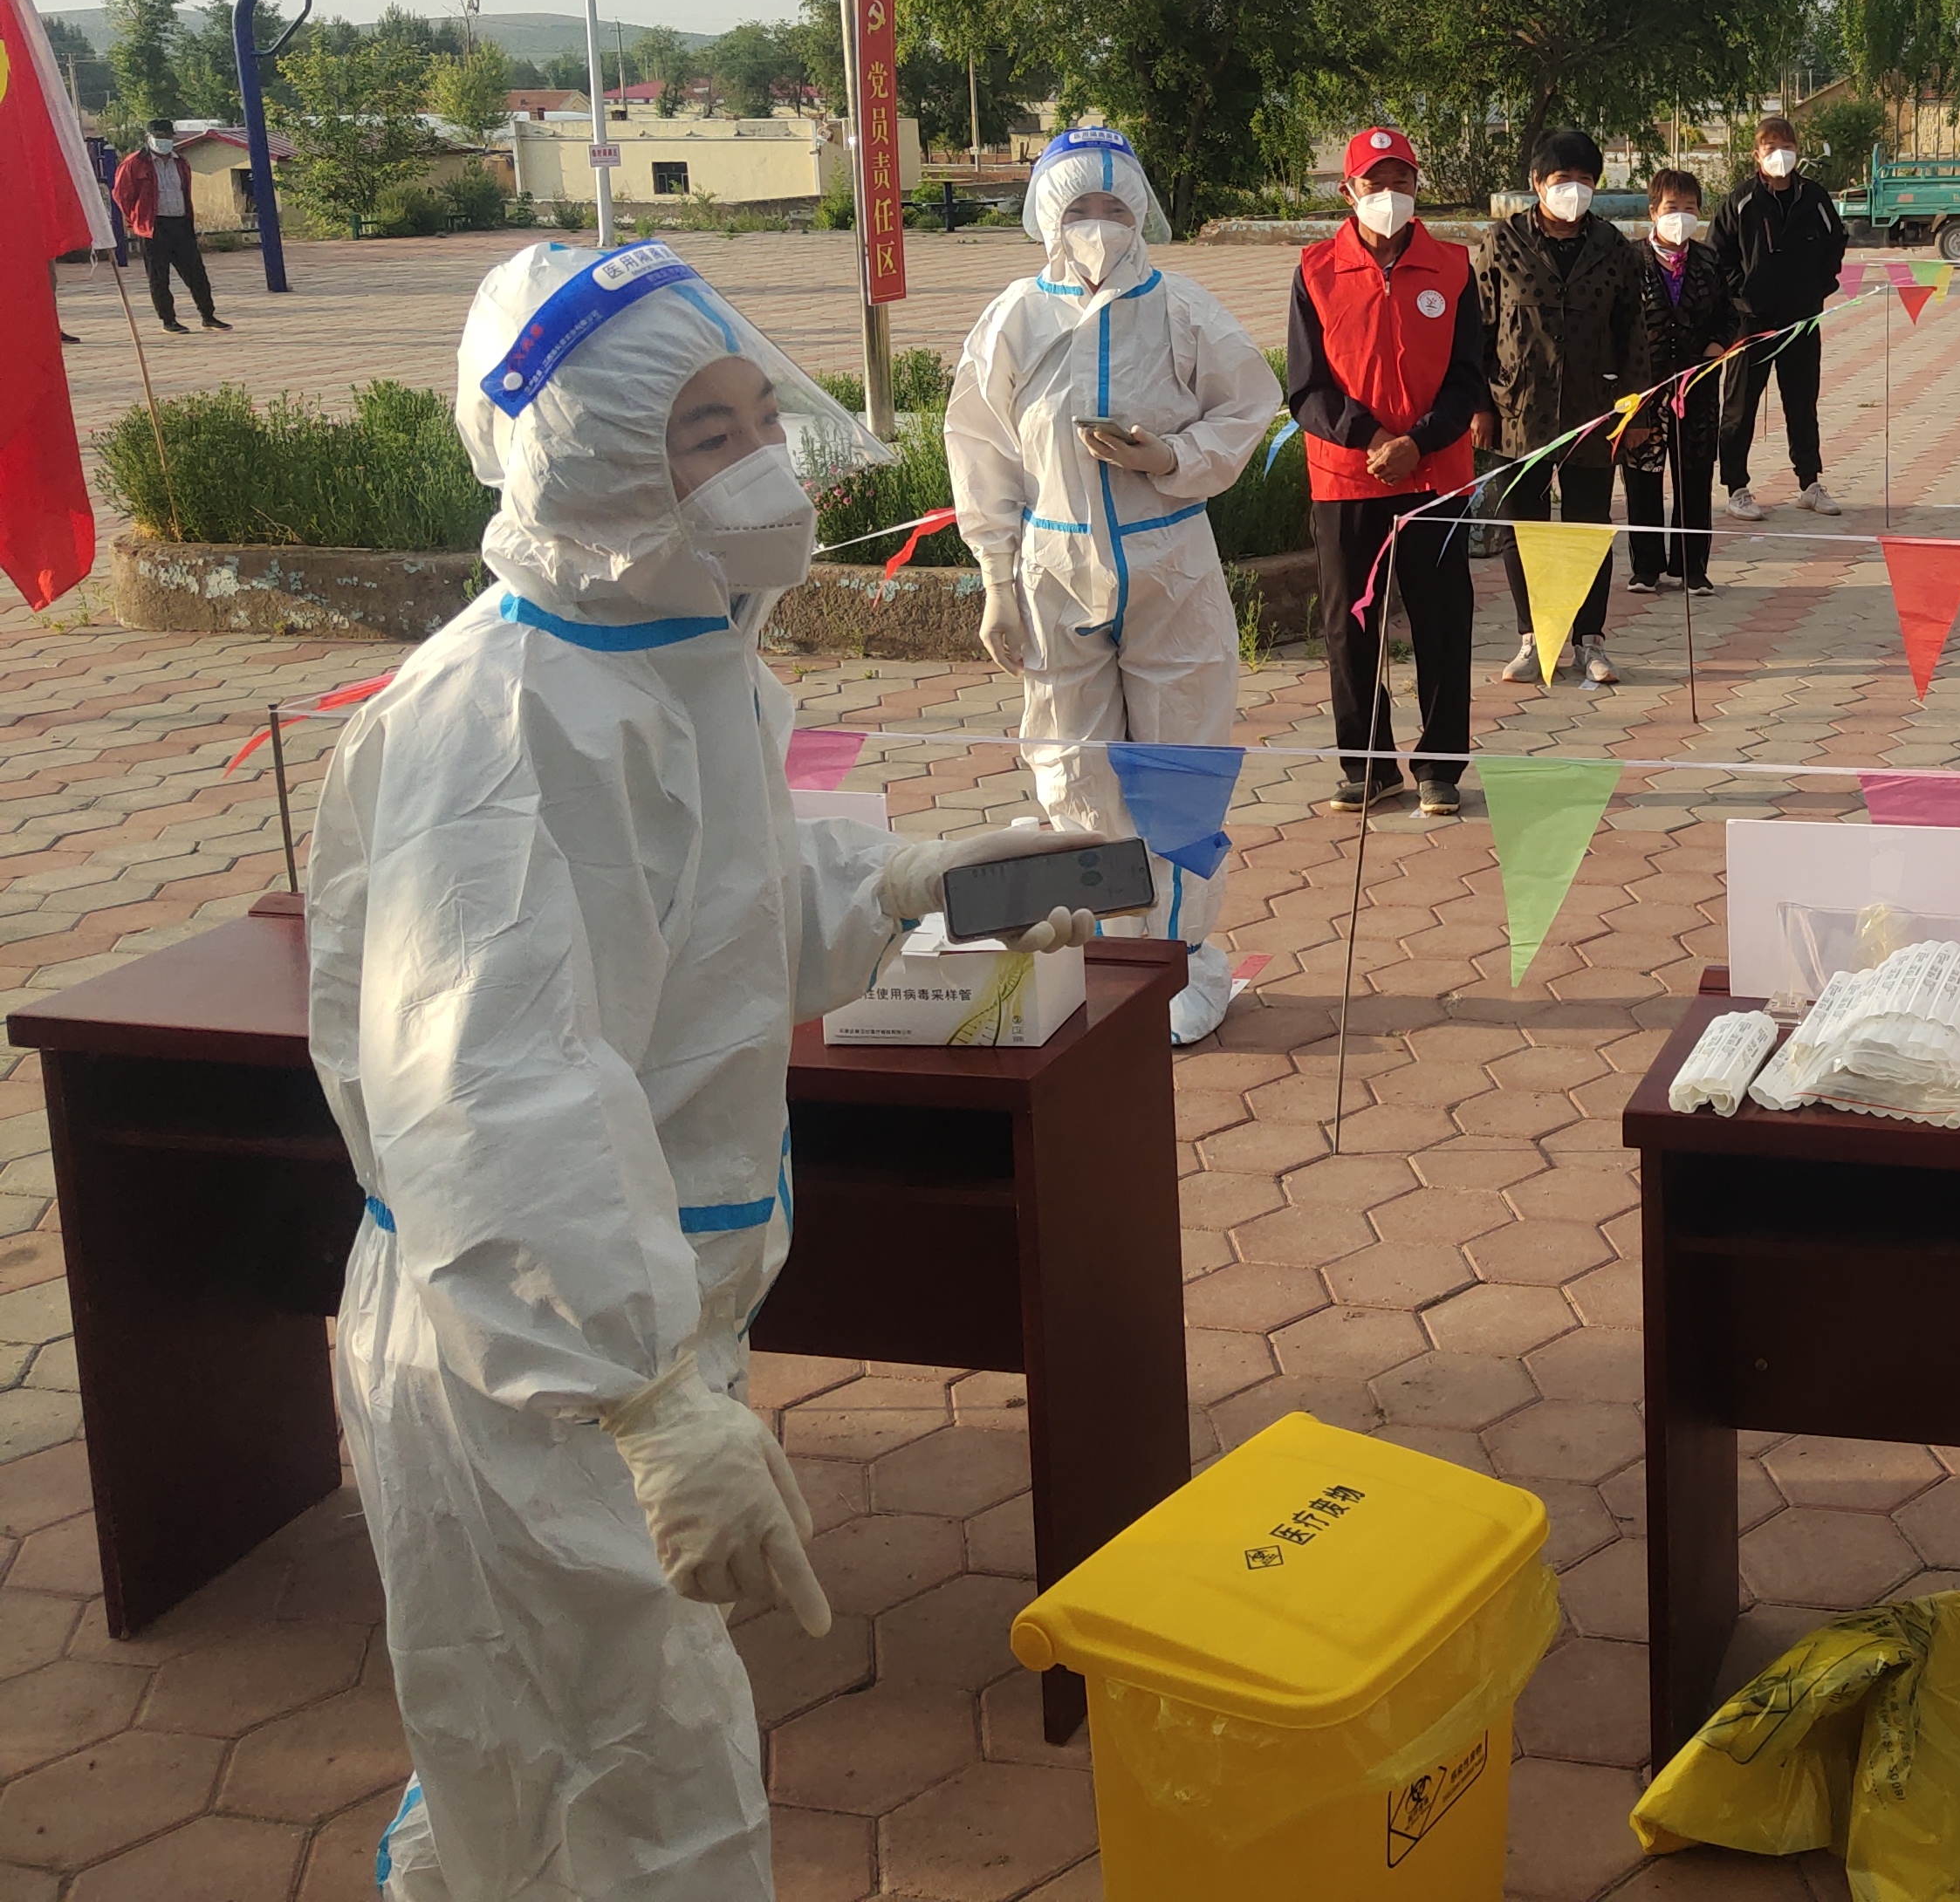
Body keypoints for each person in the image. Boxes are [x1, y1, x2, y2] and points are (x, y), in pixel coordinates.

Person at [309, 241, 1100, 1902]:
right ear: (586, 454)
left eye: (756, 416)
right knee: (641, 1787)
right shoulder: (499, 719)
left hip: (608, 1329)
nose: (758, 463)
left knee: (543, 1762)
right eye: (702, 432)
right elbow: (494, 1094)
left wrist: (898, 884)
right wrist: (646, 1399)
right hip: (528, 1350)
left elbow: (712, 919)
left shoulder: (672, 659)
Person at [948, 127, 1280, 1043]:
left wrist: (1168, 456)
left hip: (1169, 560)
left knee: (1181, 772)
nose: (1098, 225)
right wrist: (996, 578)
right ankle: (1098, 956)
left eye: (1114, 207)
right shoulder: (1016, 316)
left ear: (1141, 214)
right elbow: (978, 447)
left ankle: (1180, 961)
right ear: (1047, 218)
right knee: (1072, 770)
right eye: (1079, 209)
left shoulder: (1183, 308)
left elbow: (1249, 404)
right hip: (1053, 568)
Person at [1287, 127, 1484, 814]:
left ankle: (1440, 765)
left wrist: (1418, 442)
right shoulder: (1316, 270)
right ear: (1349, 192)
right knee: (1351, 623)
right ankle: (1368, 764)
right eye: (1376, 183)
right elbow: (1306, 389)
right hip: (1347, 476)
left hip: (1435, 474)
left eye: (1402, 181)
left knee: (1442, 619)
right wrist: (1372, 438)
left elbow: (1469, 379)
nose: (1390, 194)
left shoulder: (1453, 268)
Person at [1473, 127, 1642, 689]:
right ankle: (1534, 639)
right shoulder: (1502, 243)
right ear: (1536, 182)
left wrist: (1635, 413)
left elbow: (1634, 335)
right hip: (1518, 410)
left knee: (1588, 529)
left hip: (1593, 412)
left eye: (1584, 180)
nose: (1573, 190)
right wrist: (1479, 406)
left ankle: (1590, 641)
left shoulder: (1615, 249)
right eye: (1561, 179)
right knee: (1524, 528)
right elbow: (1478, 330)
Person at [1712, 111, 1848, 519]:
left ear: (1797, 152)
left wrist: (1819, 286)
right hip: (1749, 323)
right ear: (1757, 154)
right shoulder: (1741, 201)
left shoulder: (1814, 198)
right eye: (1771, 148)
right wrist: (1741, 295)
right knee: (1739, 407)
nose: (1780, 155)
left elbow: (1836, 242)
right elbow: (1719, 255)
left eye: (1787, 147)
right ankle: (1737, 488)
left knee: (1802, 402)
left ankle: (1810, 483)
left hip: (1801, 320)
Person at [1625, 165, 1740, 594]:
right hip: (1644, 390)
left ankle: (1693, 568)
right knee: (1642, 475)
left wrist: (1717, 345)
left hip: (1697, 387)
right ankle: (1646, 567)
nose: (1681, 216)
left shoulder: (1708, 261)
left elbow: (1729, 315)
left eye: (1690, 208)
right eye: (1672, 207)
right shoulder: (1629, 261)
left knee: (1694, 474)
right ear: (1653, 211)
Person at [107, 120, 229, 333]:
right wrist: (136, 218)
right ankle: (168, 320)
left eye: (167, 136)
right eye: (159, 136)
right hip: (154, 226)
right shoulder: (134, 163)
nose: (164, 141)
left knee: (196, 273)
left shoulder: (180, 161)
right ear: (148, 137)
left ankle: (208, 316)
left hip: (181, 223)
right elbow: (122, 195)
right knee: (159, 277)